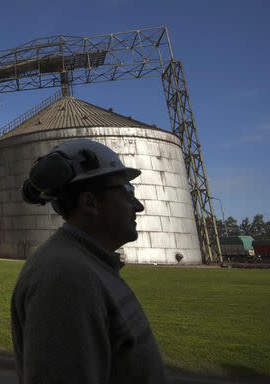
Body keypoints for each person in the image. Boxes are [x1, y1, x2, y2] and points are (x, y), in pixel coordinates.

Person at [11, 139, 169, 383]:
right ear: (90, 203)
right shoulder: (65, 278)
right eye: (127, 192)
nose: (138, 206)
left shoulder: (86, 264)